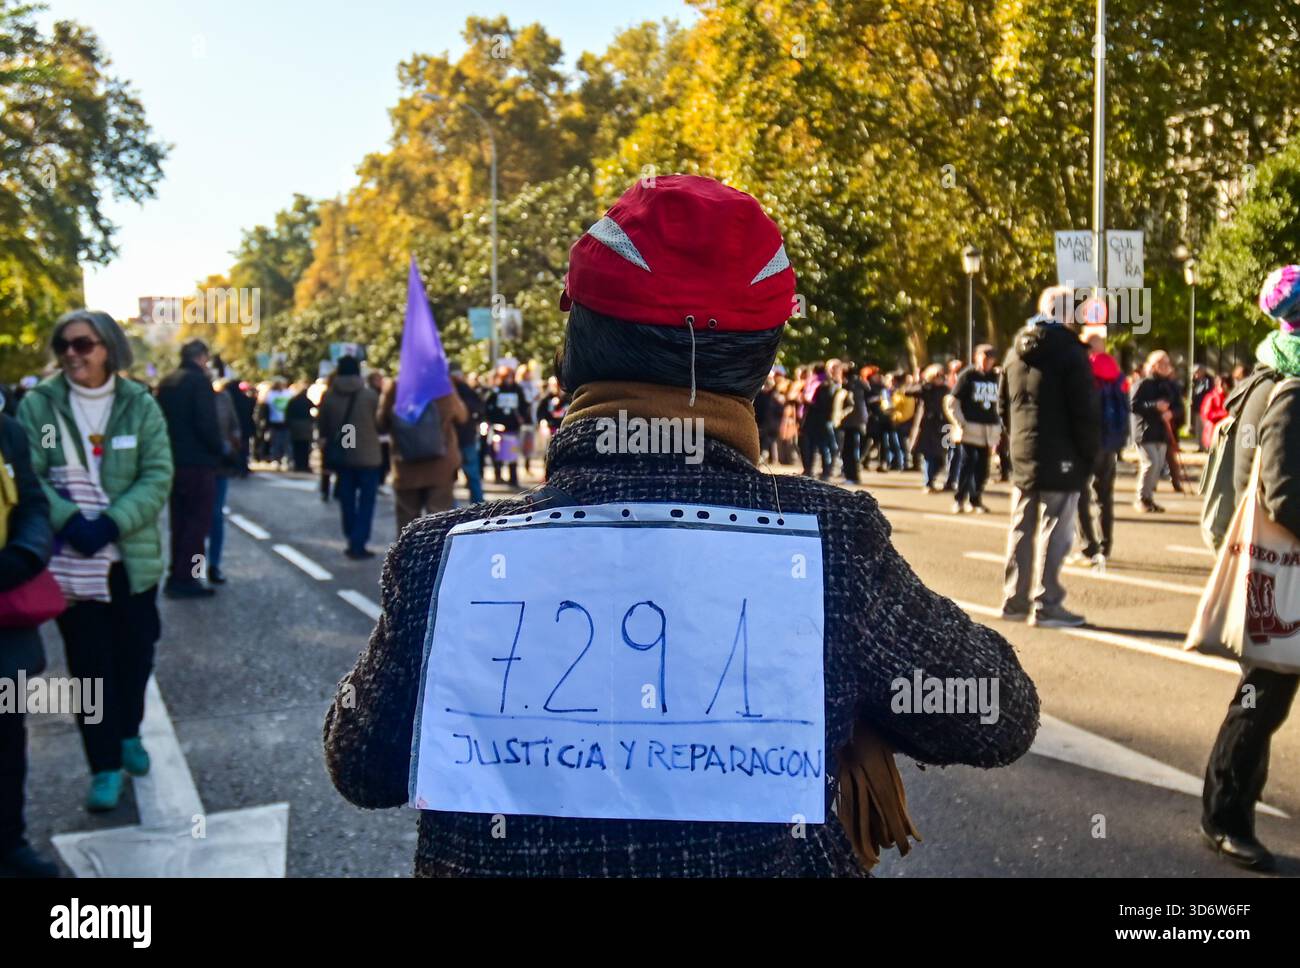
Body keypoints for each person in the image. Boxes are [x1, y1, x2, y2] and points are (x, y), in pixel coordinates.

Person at [324, 174, 1039, 878]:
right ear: (761, 363)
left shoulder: (442, 556)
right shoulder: (830, 542)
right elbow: (997, 712)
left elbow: (361, 764)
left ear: (576, 344)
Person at [18, 310, 172, 812]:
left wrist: (110, 523)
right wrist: (69, 521)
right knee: (89, 668)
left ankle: (129, 733)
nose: (71, 353)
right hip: (72, 563)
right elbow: (29, 475)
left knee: (136, 654)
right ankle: (103, 765)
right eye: (63, 345)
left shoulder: (138, 403)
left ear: (107, 347)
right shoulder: (40, 406)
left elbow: (157, 475)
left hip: (131, 559)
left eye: (82, 344)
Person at [1201, 266, 1300, 871]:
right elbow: (1283, 493)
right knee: (1262, 697)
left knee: (1265, 696)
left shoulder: (1265, 376)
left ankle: (1230, 810)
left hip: (1272, 568)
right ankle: (1224, 818)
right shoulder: (1290, 389)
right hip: (1282, 571)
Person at [998, 287, 1100, 628]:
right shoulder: (1070, 352)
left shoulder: (1014, 351)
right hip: (1062, 453)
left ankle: (1014, 599)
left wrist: (1017, 442)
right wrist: (1088, 453)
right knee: (1056, 529)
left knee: (1022, 525)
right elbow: (1084, 410)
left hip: (1024, 449)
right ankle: (1047, 602)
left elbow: (1003, 406)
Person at [0, 412, 60, 877]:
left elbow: (33, 505)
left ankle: (8, 843)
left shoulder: (6, 430)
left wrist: (24, 556)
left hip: (4, 613)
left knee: (6, 739)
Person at [156, 340, 223, 598]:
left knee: (179, 522)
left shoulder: (168, 381)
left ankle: (176, 571)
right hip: (198, 462)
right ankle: (190, 577)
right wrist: (220, 450)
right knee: (198, 524)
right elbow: (207, 423)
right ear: (201, 357)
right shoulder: (199, 382)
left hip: (173, 460)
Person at [377, 374, 468, 531]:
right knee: (439, 525)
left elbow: (381, 423)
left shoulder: (396, 386)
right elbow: (462, 416)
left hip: (406, 465)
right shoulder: (442, 385)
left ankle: (408, 548)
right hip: (440, 466)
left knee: (407, 527)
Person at [317, 356, 382, 559]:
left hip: (344, 456)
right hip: (369, 456)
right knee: (366, 502)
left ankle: (350, 535)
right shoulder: (370, 396)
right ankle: (358, 541)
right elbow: (380, 423)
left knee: (346, 500)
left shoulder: (329, 397)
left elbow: (323, 428)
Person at [1076, 334, 1128, 567]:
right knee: (1105, 496)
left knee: (1080, 495)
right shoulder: (1117, 373)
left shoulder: (1083, 370)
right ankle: (1106, 545)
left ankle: (1089, 546)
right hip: (1110, 442)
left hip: (1087, 441)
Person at [945, 344, 1000, 514]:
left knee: (983, 468)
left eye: (989, 359)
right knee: (967, 463)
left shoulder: (996, 377)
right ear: (977, 357)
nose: (986, 362)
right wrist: (960, 422)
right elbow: (953, 401)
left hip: (989, 429)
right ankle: (959, 499)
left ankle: (976, 500)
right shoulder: (968, 376)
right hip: (970, 427)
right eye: (983, 358)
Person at [1130, 350, 1185, 513]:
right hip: (1145, 431)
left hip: (1162, 432)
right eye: (1162, 363)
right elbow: (1133, 405)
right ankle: (1141, 498)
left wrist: (1171, 413)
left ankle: (1149, 498)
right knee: (1151, 463)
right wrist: (1155, 406)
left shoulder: (1171, 386)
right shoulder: (1143, 383)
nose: (1166, 366)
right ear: (1153, 366)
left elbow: (1179, 407)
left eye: (1168, 363)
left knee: (1158, 465)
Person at [206, 378, 244, 585]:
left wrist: (231, 444)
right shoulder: (192, 397)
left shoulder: (223, 398)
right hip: (198, 466)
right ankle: (195, 570)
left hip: (219, 465)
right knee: (198, 521)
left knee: (215, 516)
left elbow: (234, 425)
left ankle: (214, 565)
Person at [908, 364, 950, 491]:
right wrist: (921, 382)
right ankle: (928, 482)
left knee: (941, 457)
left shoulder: (946, 390)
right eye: (936, 376)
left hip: (943, 425)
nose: (939, 379)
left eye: (941, 376)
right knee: (929, 455)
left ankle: (932, 478)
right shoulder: (926, 389)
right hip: (927, 426)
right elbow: (908, 391)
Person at [450, 365, 486, 505]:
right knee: (472, 475)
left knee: (450, 478)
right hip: (465, 437)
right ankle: (478, 505)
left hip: (455, 439)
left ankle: (454, 506)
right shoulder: (467, 391)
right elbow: (479, 409)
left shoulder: (447, 392)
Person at [485, 367, 524, 487]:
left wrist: (521, 418)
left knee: (512, 453)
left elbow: (523, 405)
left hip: (512, 428)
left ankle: (513, 478)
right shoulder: (496, 391)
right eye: (507, 377)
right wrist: (491, 421)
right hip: (498, 428)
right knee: (497, 452)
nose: (509, 379)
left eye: (511, 377)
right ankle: (498, 476)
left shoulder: (517, 390)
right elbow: (488, 407)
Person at [285, 381, 315, 473]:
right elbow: (314, 407)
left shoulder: (292, 401)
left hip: (295, 426)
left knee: (296, 447)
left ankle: (297, 465)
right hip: (305, 425)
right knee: (305, 447)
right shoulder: (307, 401)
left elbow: (288, 413)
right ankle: (304, 465)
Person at [262, 379, 292, 468]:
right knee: (275, 442)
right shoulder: (271, 394)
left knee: (286, 442)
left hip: (286, 421)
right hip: (274, 421)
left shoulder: (288, 393)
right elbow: (265, 407)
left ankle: (286, 459)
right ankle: (276, 459)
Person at [1199, 374, 1232, 452]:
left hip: (1222, 432)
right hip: (1213, 432)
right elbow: (1207, 414)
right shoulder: (1211, 396)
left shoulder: (1227, 396)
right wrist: (1225, 414)